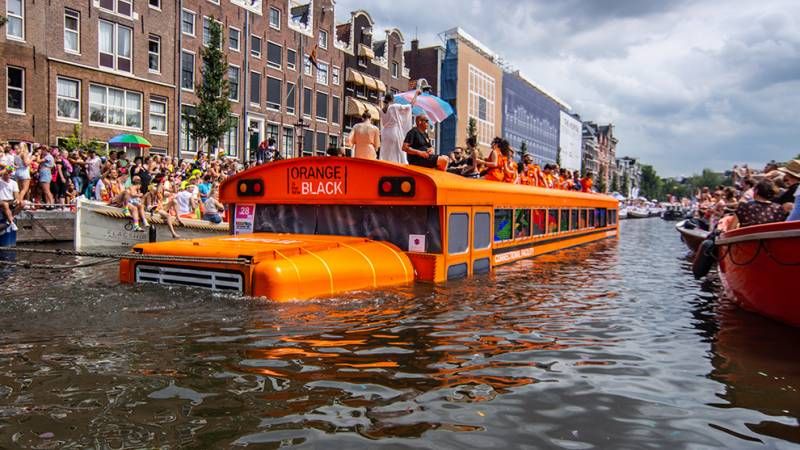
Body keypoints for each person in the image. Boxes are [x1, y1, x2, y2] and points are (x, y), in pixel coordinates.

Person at [379, 91, 416, 164]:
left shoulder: (381, 110)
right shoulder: (394, 107)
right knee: (398, 152)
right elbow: (410, 106)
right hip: (394, 131)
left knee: (387, 153)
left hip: (385, 133)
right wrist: (416, 94)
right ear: (392, 100)